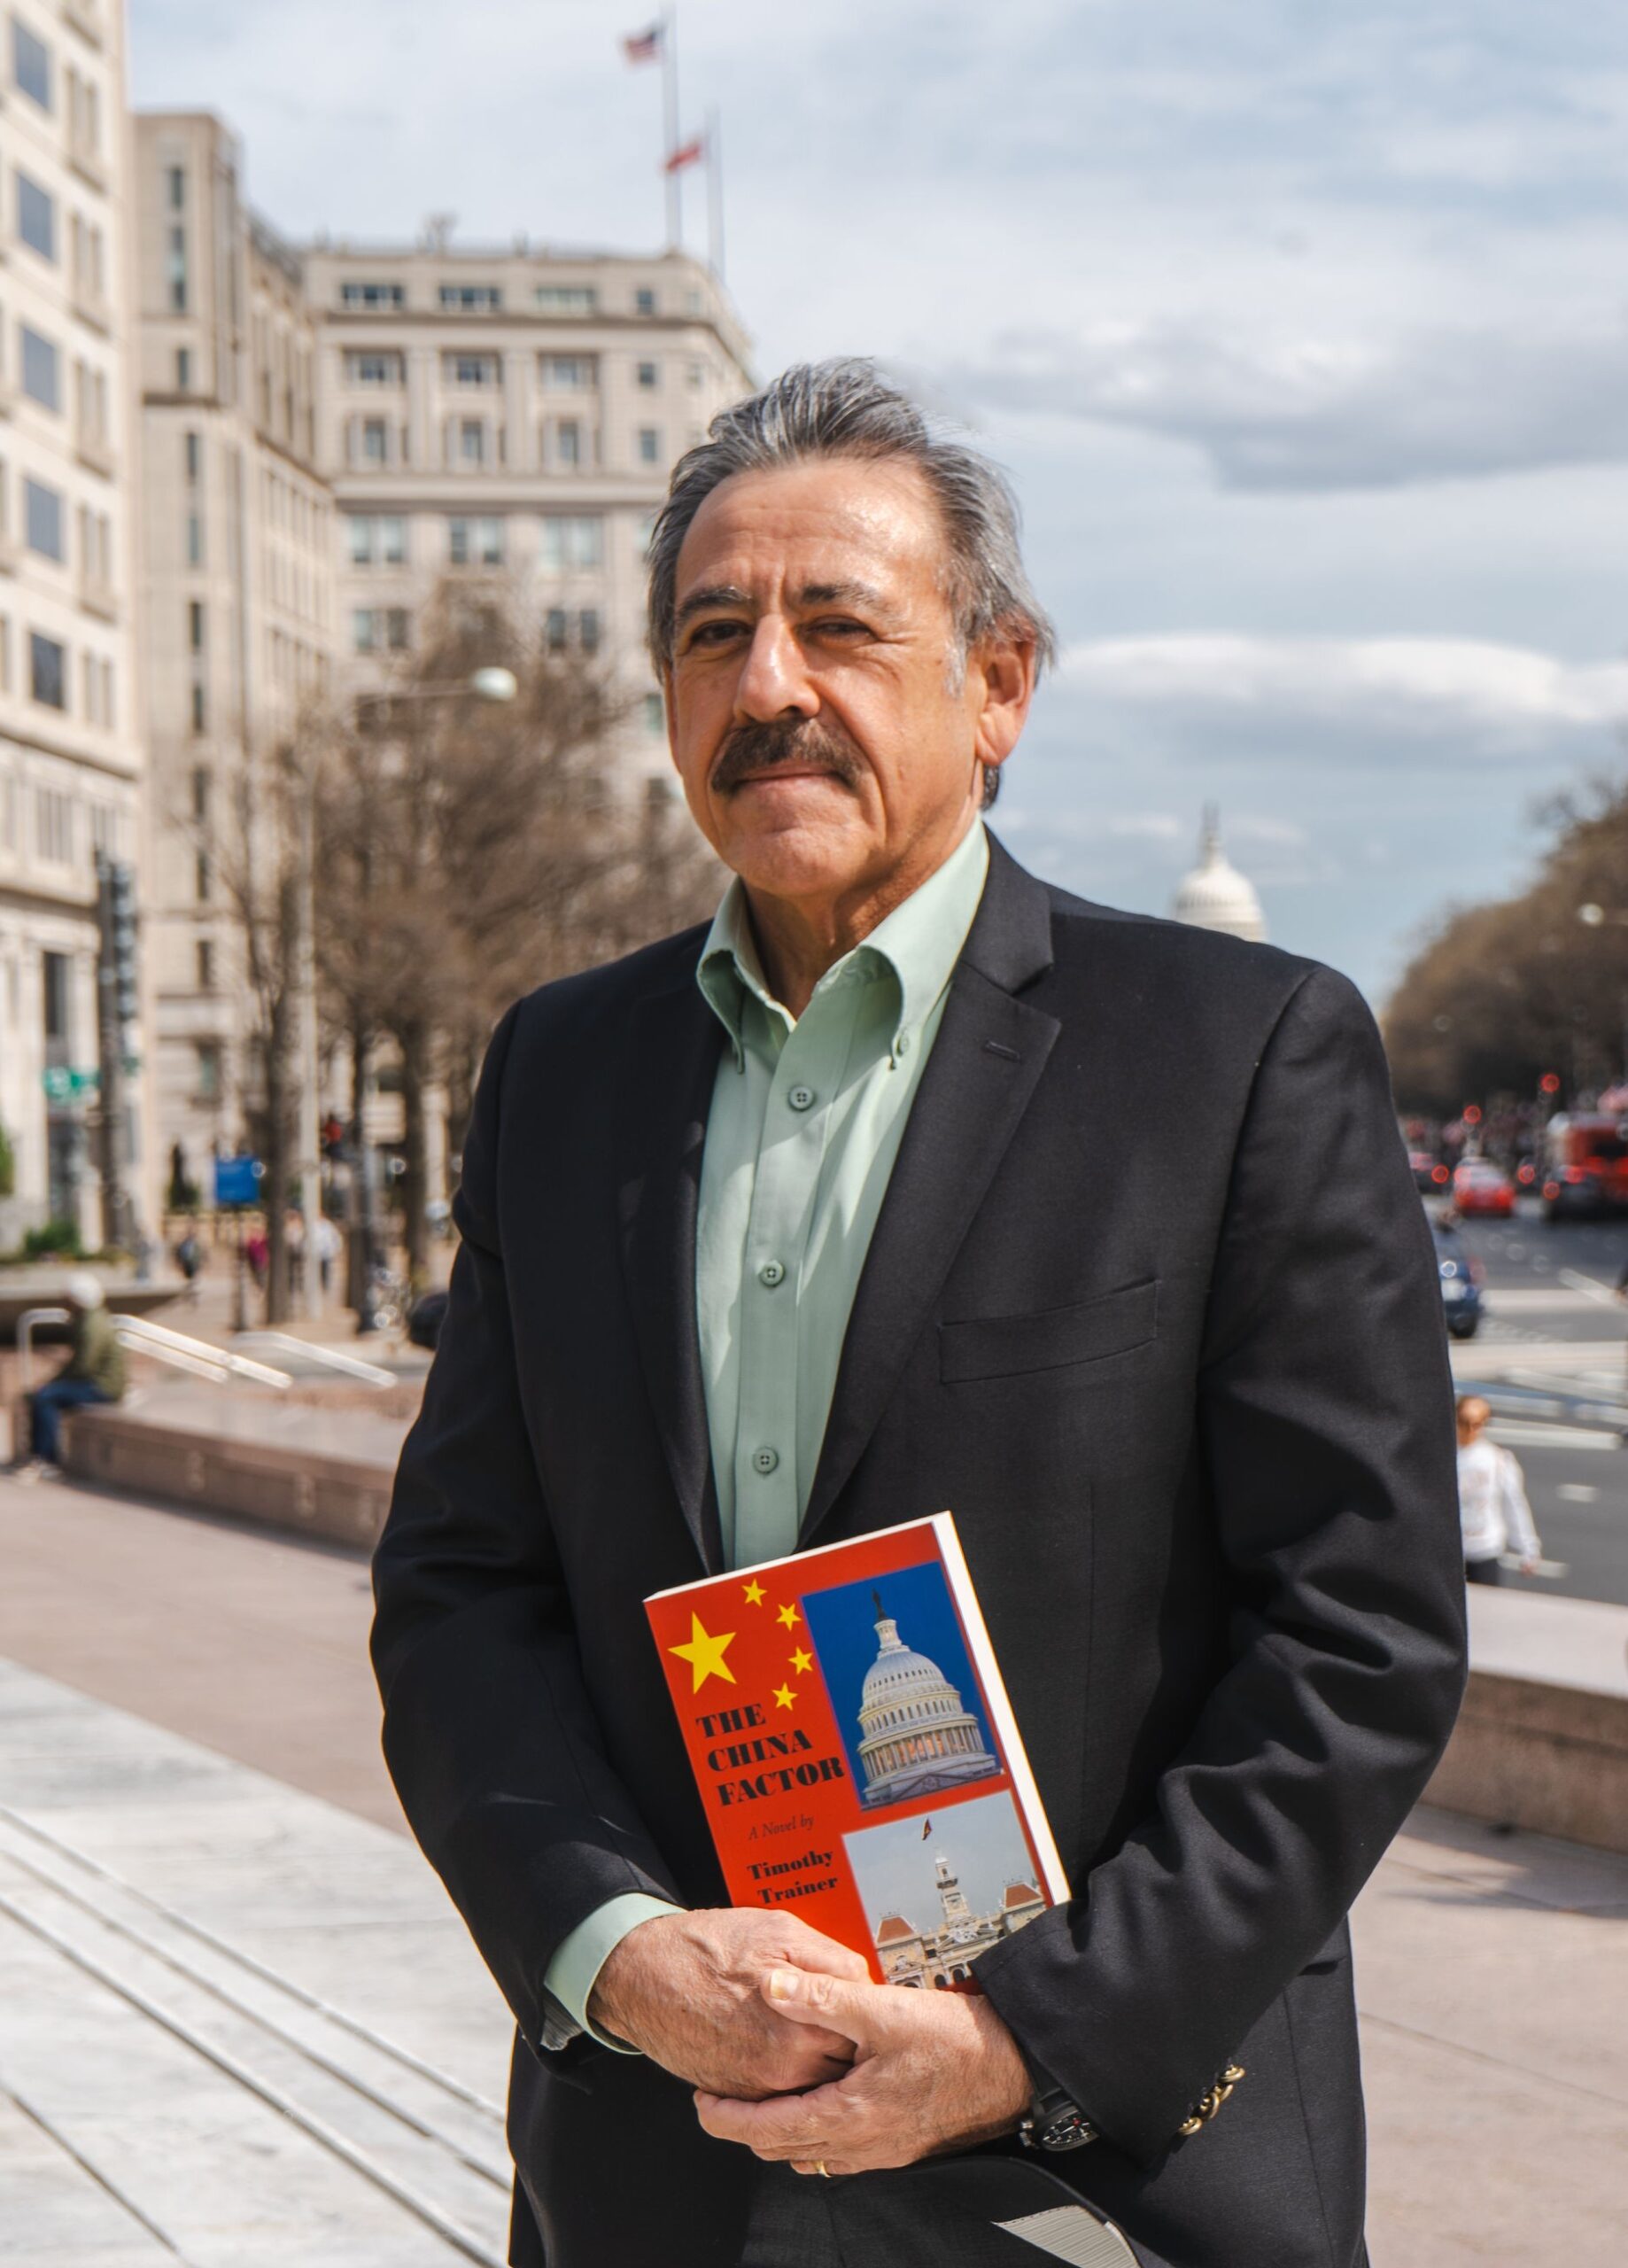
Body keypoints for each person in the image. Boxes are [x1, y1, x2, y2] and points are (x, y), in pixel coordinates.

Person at [372, 361, 1465, 2268]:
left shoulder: (1233, 1056)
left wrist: (1017, 2037)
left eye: (839, 625)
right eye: (711, 634)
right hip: (659, 2166)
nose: (768, 685)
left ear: (998, 683)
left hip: (1096, 2168)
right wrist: (611, 1947)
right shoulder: (560, 1073)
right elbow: (464, 1586)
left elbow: (1356, 1638)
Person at [19, 1272, 126, 1478]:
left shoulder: (91, 1325)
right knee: (44, 1394)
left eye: (67, 1299)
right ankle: (39, 1454)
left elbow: (83, 1366)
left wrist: (53, 1383)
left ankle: (47, 1459)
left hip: (103, 1386)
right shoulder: (89, 1319)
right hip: (96, 1382)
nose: (64, 1304)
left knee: (45, 1398)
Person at [1455, 1394, 1540, 1582]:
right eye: (1463, 1422)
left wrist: (1528, 1547)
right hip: (1450, 1550)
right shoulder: (1445, 1458)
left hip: (1485, 1549)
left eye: (1476, 1424)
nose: (1469, 1430)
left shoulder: (1498, 1459)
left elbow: (1515, 1503)